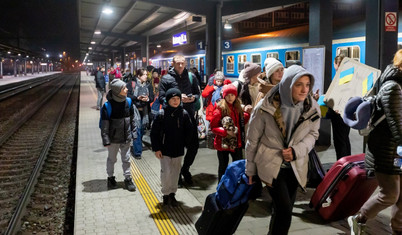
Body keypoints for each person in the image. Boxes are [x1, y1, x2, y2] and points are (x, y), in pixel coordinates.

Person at [245, 65, 320, 235]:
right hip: (271, 163)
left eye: (307, 85)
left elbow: (313, 134)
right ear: (288, 84)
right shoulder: (265, 107)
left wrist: (297, 150)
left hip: (296, 165)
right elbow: (252, 140)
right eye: (298, 84)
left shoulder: (312, 107)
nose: (304, 90)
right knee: (285, 210)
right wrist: (250, 170)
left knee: (282, 210)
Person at [348, 50, 402, 235]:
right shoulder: (393, 87)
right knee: (390, 194)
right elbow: (397, 125)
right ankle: (359, 218)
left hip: (398, 151)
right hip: (386, 151)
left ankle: (398, 230)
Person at [158, 55, 200, 185]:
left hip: (189, 116)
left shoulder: (191, 77)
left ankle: (185, 169)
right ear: (173, 63)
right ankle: (175, 176)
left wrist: (193, 98)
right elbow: (161, 97)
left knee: (194, 146)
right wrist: (176, 99)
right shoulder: (166, 78)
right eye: (178, 63)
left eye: (182, 63)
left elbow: (198, 93)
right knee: (176, 148)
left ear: (186, 63)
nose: (180, 66)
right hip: (173, 118)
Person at [150, 88, 194, 206]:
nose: (175, 101)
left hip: (178, 149)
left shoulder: (183, 114)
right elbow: (154, 132)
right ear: (168, 100)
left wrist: (186, 143)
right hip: (165, 149)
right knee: (166, 172)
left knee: (175, 172)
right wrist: (157, 148)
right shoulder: (162, 114)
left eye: (178, 99)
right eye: (173, 99)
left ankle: (172, 194)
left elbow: (189, 130)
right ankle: (165, 194)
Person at [100, 79, 137, 192]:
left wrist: (134, 134)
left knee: (126, 159)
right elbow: (104, 125)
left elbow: (133, 120)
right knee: (112, 159)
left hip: (126, 136)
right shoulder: (108, 106)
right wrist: (106, 140)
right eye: (124, 88)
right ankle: (110, 177)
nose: (127, 89)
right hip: (113, 138)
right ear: (117, 91)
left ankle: (128, 178)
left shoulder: (129, 102)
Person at [314, 54, 351, 159]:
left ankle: (342, 165)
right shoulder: (348, 76)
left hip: (338, 113)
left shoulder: (340, 77)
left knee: (340, 141)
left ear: (337, 64)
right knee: (344, 139)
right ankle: (347, 162)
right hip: (345, 112)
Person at [210, 84, 250, 181]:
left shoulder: (238, 107)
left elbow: (241, 121)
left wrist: (247, 114)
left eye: (232, 95)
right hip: (223, 144)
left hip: (236, 143)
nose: (230, 97)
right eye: (228, 95)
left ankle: (234, 186)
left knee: (238, 167)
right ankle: (221, 188)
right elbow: (213, 127)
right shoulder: (220, 108)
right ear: (224, 96)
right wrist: (225, 132)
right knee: (223, 167)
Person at [129, 68, 154, 159]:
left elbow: (152, 97)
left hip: (145, 110)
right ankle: (137, 152)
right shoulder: (132, 84)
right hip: (134, 110)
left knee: (143, 130)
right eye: (144, 75)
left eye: (147, 75)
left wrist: (147, 99)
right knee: (137, 130)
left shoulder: (148, 85)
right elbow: (128, 96)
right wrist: (137, 98)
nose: (146, 76)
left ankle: (137, 145)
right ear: (139, 76)